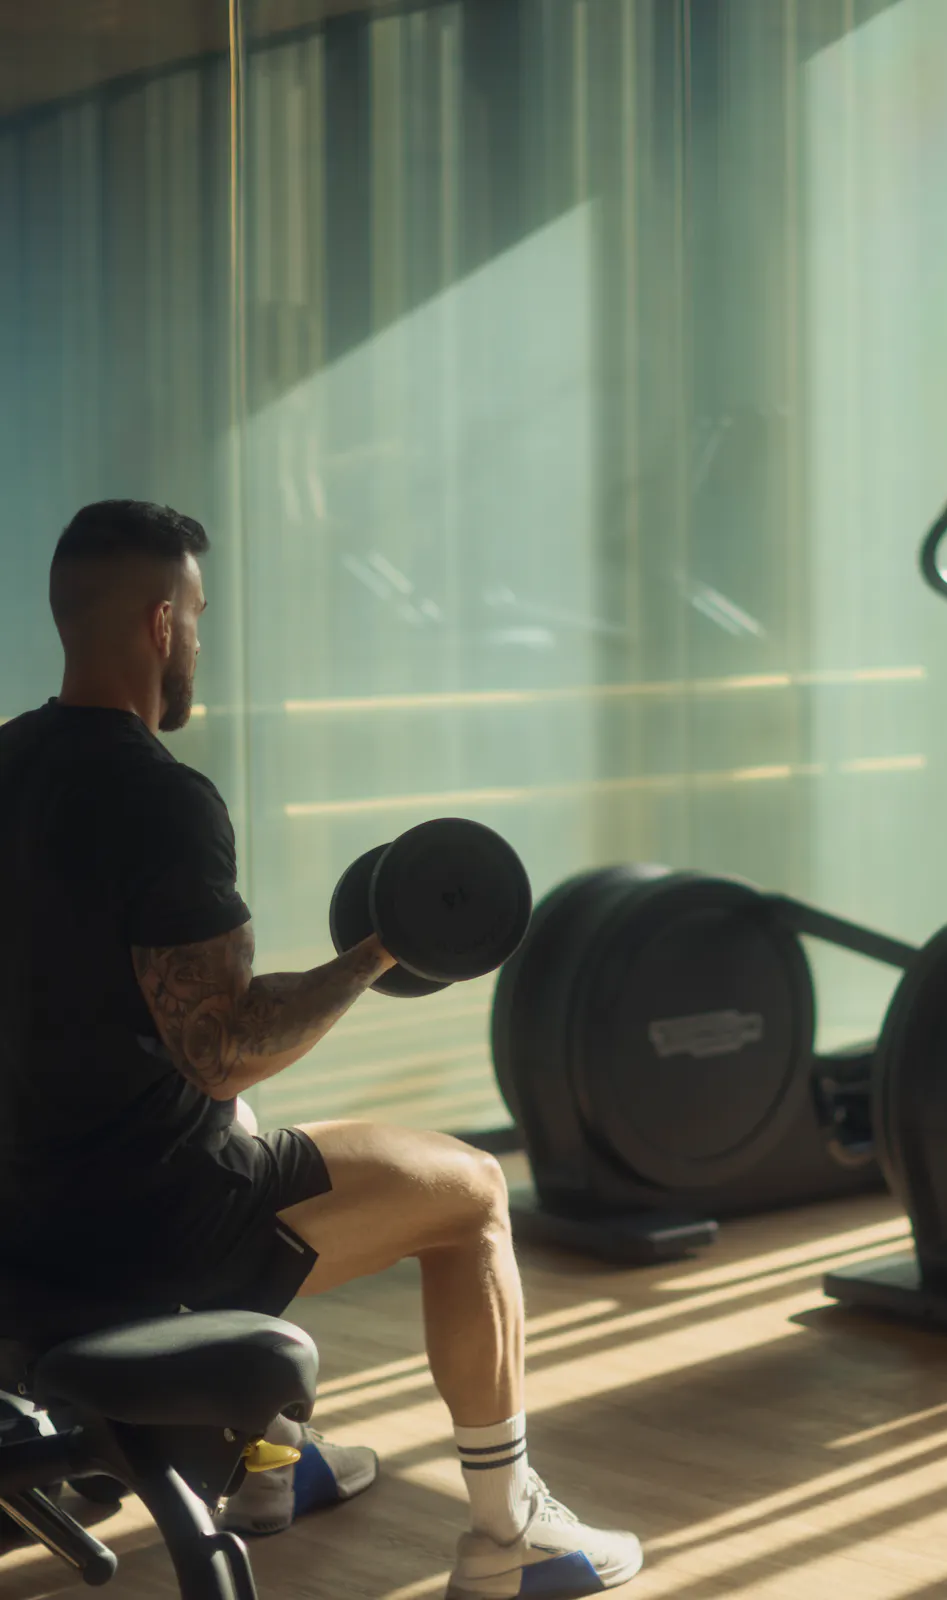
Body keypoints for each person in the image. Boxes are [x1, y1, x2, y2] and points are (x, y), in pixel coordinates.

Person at [0, 501, 642, 1598]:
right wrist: (380, 951)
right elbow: (224, 1046)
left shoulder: (11, 763)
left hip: (22, 1215)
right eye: (199, 615)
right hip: (143, 1232)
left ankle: (273, 1468)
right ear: (161, 623)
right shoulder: (161, 801)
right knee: (472, 1190)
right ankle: (506, 1533)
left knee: (252, 1130)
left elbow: (138, 1021)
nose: (202, 640)